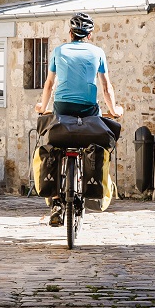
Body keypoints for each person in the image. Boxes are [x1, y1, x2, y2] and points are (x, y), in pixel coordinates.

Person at [34, 12, 123, 225]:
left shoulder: (59, 51)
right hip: (88, 111)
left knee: (54, 145)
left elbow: (49, 84)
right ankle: (87, 178)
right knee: (91, 140)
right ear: (90, 35)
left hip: (62, 109)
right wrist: (115, 109)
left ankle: (56, 201)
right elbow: (105, 87)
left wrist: (42, 107)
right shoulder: (98, 52)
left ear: (70, 33)